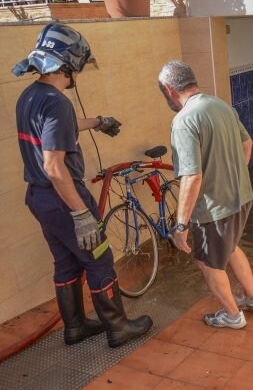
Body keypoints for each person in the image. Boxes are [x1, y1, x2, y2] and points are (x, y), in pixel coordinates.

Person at [12, 22, 153, 348]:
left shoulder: (31, 96)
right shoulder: (58, 102)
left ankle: (75, 327)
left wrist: (98, 123)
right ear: (68, 64)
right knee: (100, 257)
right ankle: (118, 328)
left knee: (66, 261)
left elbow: (59, 126)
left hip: (39, 199)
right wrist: (81, 213)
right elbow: (54, 166)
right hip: (64, 198)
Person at [158, 60, 253, 329]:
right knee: (229, 248)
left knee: (207, 262)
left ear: (169, 89)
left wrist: (181, 224)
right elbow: (247, 142)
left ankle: (232, 315)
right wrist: (234, 176)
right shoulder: (221, 106)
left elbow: (192, 176)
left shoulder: (184, 121)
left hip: (214, 207)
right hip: (242, 197)